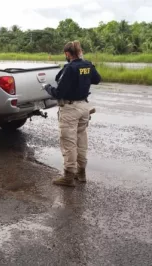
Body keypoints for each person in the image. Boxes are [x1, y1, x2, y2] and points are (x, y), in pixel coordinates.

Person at [42, 40, 101, 187]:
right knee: (81, 140)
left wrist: (47, 87)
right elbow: (97, 79)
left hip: (70, 109)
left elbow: (59, 92)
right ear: (79, 52)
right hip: (84, 107)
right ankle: (81, 173)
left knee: (69, 142)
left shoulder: (70, 68)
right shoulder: (87, 65)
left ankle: (68, 176)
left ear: (67, 54)